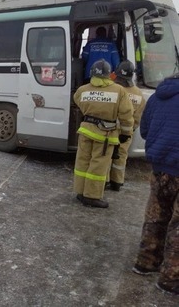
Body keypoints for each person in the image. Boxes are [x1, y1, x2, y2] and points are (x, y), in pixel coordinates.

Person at [131, 73, 179, 296]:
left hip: (159, 169)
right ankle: (170, 279)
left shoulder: (157, 97)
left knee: (155, 217)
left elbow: (145, 129)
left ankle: (146, 262)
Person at [73, 59, 133, 208]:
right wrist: (125, 133)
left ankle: (80, 192)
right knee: (98, 166)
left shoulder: (83, 90)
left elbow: (77, 101)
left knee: (82, 162)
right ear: (109, 74)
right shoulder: (119, 91)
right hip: (105, 135)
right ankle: (92, 196)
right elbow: (126, 115)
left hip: (85, 131)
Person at [107, 60, 146, 191]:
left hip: (109, 129)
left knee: (106, 154)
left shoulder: (113, 89)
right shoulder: (138, 94)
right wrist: (130, 130)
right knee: (121, 156)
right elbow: (138, 117)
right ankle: (117, 181)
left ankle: (105, 180)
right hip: (127, 132)